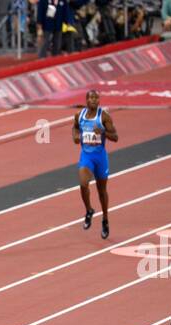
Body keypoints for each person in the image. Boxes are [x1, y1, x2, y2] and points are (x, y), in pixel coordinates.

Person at [74, 88, 118, 240]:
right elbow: (75, 127)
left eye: (96, 98)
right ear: (86, 100)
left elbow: (116, 137)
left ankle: (105, 219)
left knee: (101, 191)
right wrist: (75, 136)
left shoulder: (104, 116)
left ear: (99, 101)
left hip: (100, 157)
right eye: (91, 98)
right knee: (83, 183)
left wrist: (103, 132)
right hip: (86, 156)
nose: (93, 100)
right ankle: (89, 210)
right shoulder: (79, 116)